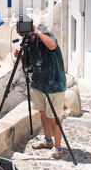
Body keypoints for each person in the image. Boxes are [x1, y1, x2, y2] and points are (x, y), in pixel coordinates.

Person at [14, 24, 67, 159]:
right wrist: (20, 57)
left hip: (54, 84)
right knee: (43, 113)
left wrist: (36, 31)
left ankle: (58, 148)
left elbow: (52, 46)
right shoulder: (30, 42)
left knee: (54, 116)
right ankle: (48, 141)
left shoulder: (43, 32)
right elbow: (28, 65)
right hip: (38, 84)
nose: (28, 36)